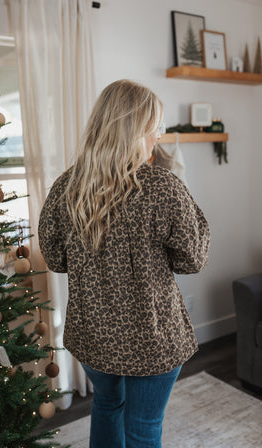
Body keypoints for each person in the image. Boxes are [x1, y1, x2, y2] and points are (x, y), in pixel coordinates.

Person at [38, 79, 210, 448]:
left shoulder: (66, 186)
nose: (158, 137)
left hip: (93, 334)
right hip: (153, 335)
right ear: (135, 129)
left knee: (105, 405)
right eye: (154, 128)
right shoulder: (164, 187)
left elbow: (54, 258)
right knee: (144, 427)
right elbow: (193, 258)